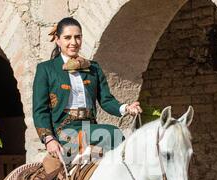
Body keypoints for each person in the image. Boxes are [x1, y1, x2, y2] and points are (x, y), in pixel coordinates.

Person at [32, 17, 142, 165]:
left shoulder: (93, 68)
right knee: (112, 133)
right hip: (64, 131)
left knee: (116, 138)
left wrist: (126, 108)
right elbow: (40, 110)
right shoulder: (46, 69)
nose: (73, 42)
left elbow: (106, 100)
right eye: (67, 38)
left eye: (78, 37)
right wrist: (49, 139)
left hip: (90, 128)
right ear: (57, 40)